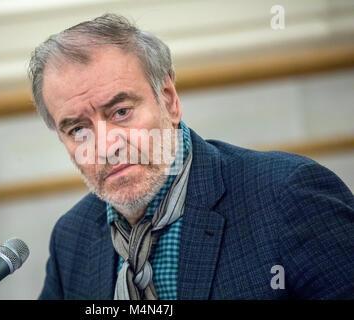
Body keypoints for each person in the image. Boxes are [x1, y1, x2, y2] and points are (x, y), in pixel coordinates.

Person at [28, 14, 354, 300]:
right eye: (77, 130)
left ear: (168, 100)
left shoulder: (288, 196)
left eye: (121, 111)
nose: (105, 147)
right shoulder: (71, 238)